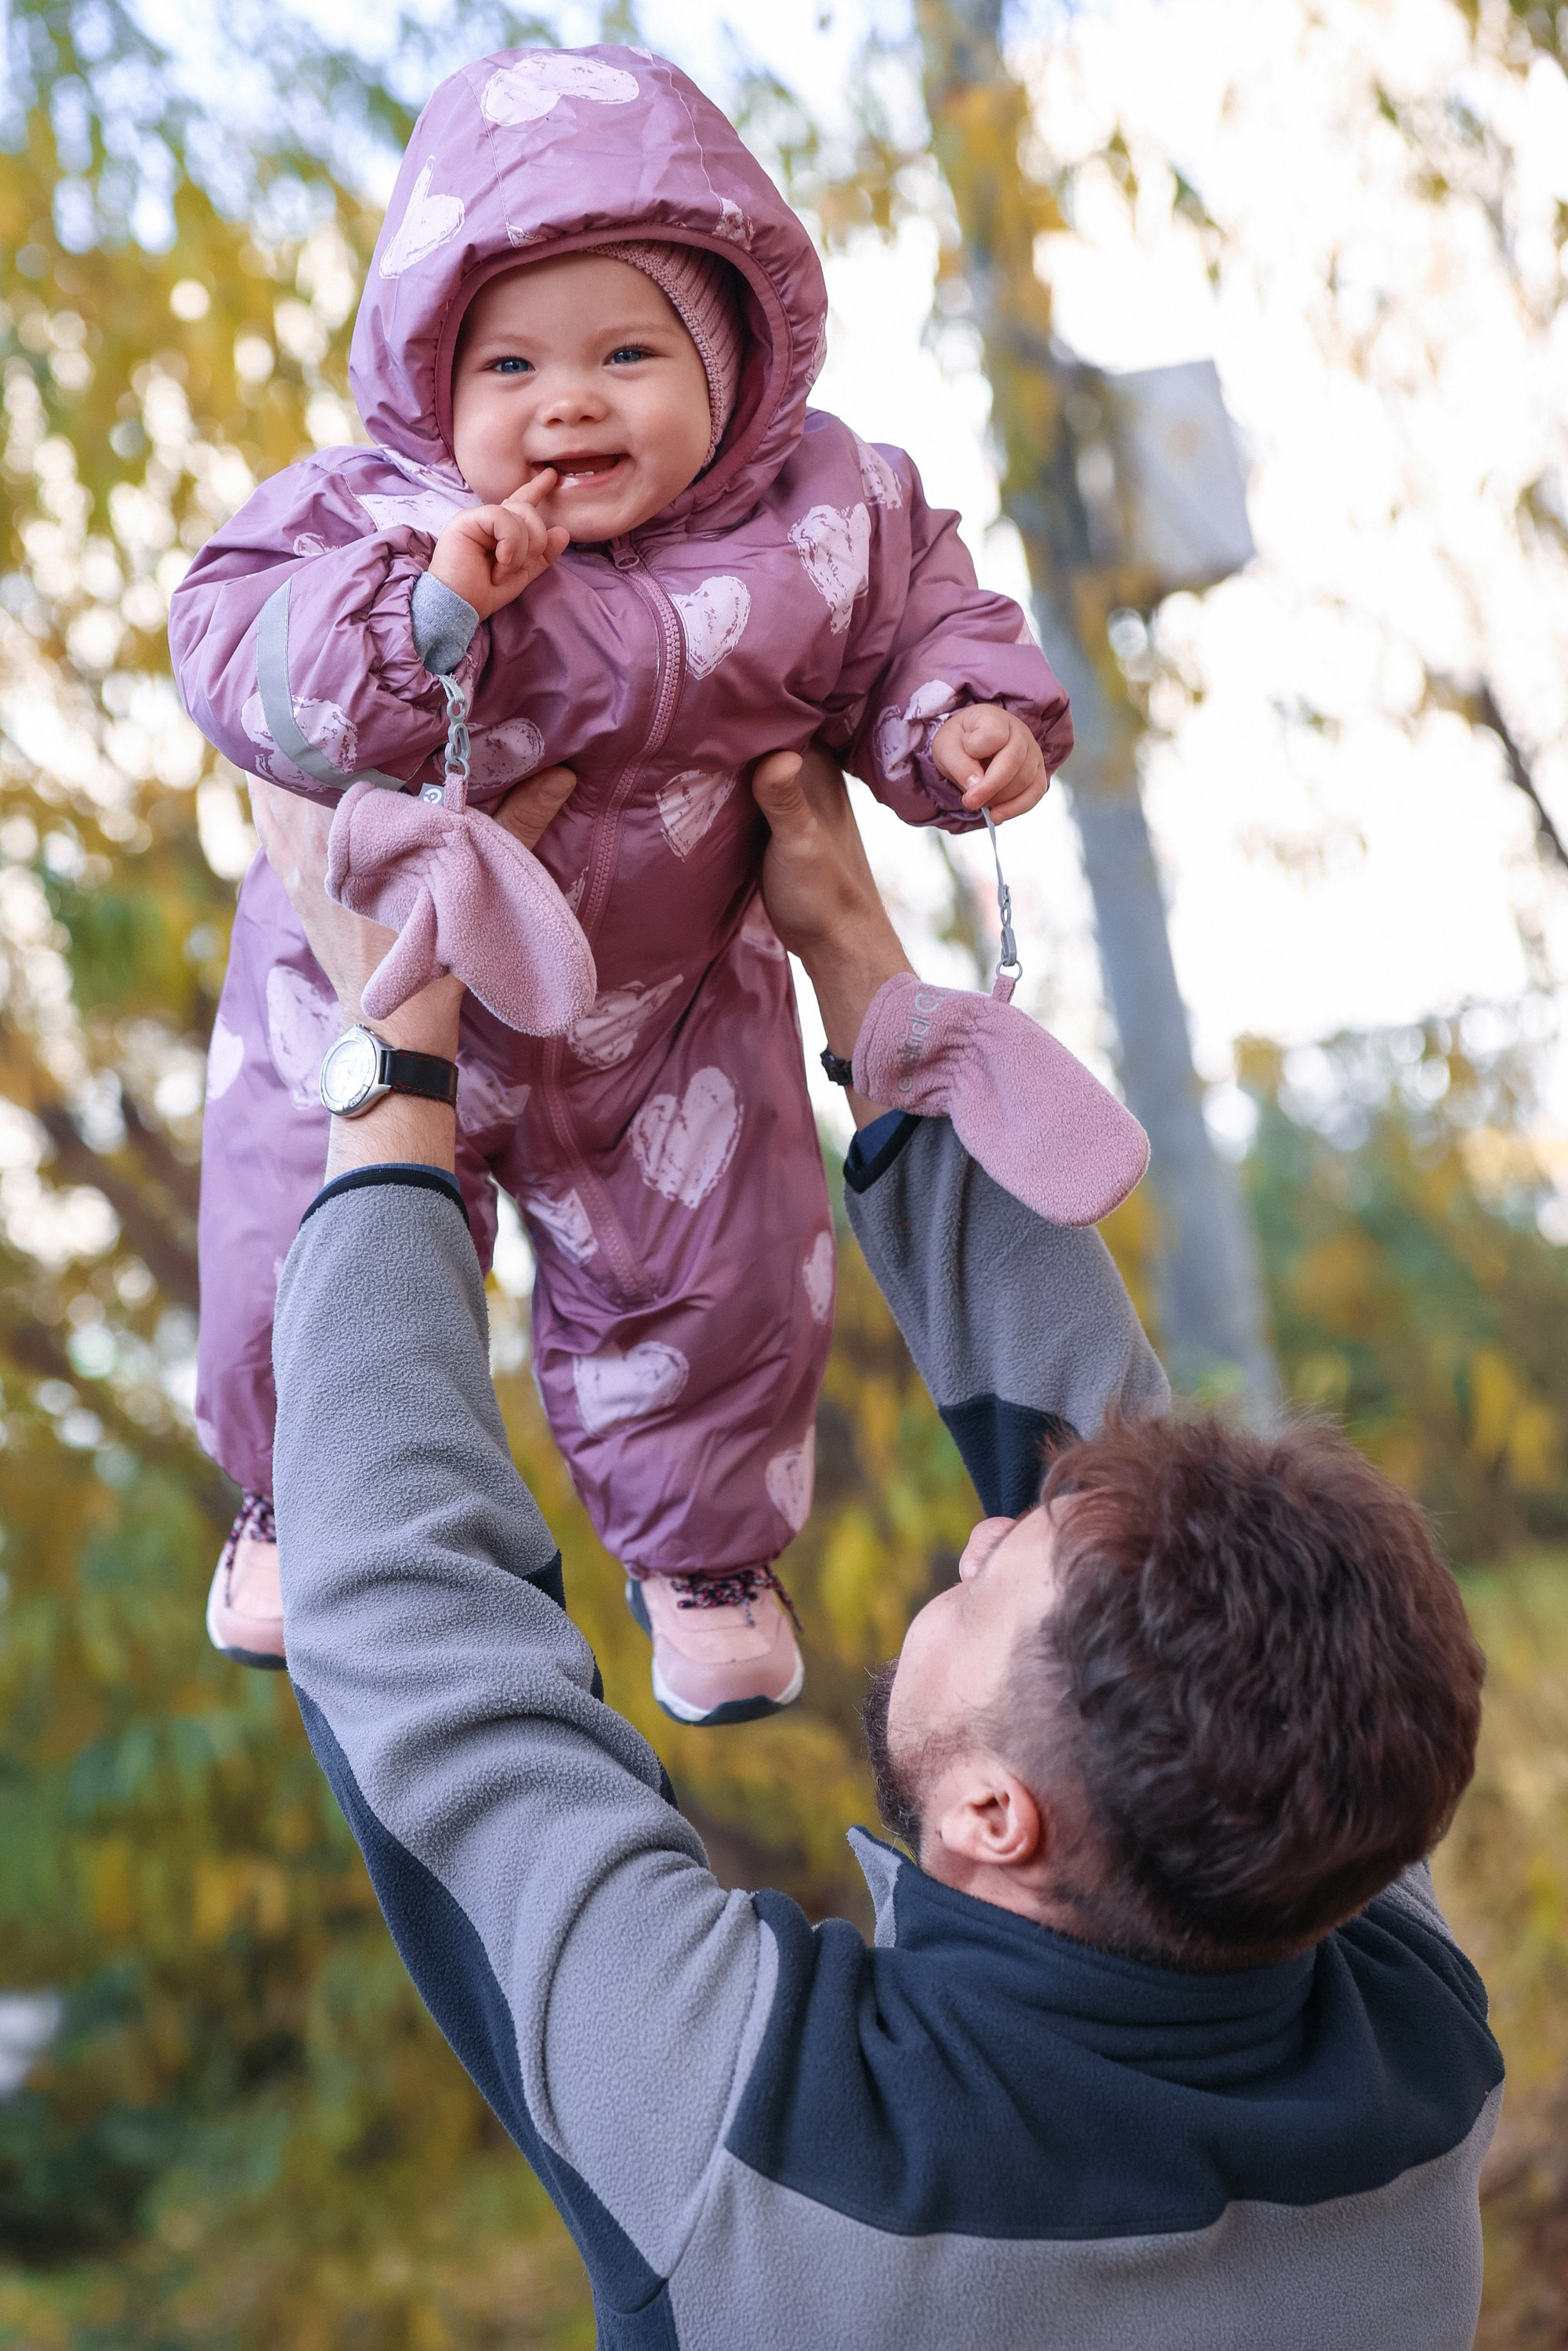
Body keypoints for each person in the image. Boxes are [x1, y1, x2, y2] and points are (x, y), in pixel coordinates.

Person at [258, 745, 1501, 2351]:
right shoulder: (1398, 2040)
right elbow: (1105, 1437)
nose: (981, 1527)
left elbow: (414, 1630)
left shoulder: (780, 2155)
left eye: (988, 1582)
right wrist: (854, 961)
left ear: (996, 1813)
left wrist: (389, 1043)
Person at [170, 41, 1148, 1722]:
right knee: (297, 1218)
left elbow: (918, 618)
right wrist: (424, 618)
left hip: (670, 1007)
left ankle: (699, 1550)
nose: (568, 405)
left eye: (628, 353)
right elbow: (232, 648)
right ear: (430, 379)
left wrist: (961, 722)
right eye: (512, 366)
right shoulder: (370, 517)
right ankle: (290, 1492)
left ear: (731, 362)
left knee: (723, 1272)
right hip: (390, 966)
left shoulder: (819, 518)